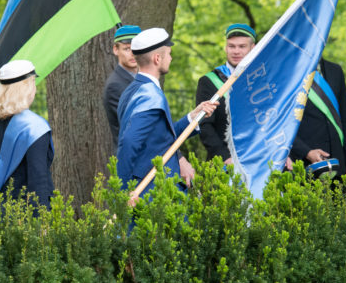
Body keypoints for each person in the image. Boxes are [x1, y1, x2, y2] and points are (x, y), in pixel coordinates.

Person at [117, 28, 218, 199]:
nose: (171, 58)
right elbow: (129, 141)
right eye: (169, 54)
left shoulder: (132, 90)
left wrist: (191, 118)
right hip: (152, 192)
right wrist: (125, 190)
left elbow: (158, 140)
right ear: (157, 58)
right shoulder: (149, 94)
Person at [0, 60, 54, 208]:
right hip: (29, 212)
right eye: (33, 82)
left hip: (5, 207)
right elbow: (38, 179)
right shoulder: (35, 127)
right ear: (26, 87)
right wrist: (43, 223)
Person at [289, 57, 346, 183]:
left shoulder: (335, 70)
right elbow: (282, 123)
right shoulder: (289, 71)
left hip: (339, 166)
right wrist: (306, 152)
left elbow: (345, 119)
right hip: (306, 165)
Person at [195, 23, 256, 164]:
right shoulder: (209, 82)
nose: (236, 51)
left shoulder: (262, 80)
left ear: (252, 48)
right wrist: (224, 157)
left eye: (242, 46)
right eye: (231, 46)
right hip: (224, 163)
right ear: (225, 48)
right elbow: (204, 125)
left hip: (259, 159)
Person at [102, 24, 141, 147]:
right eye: (127, 49)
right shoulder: (116, 86)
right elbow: (136, 128)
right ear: (115, 50)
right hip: (134, 159)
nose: (133, 53)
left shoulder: (142, 79)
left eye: (136, 48)